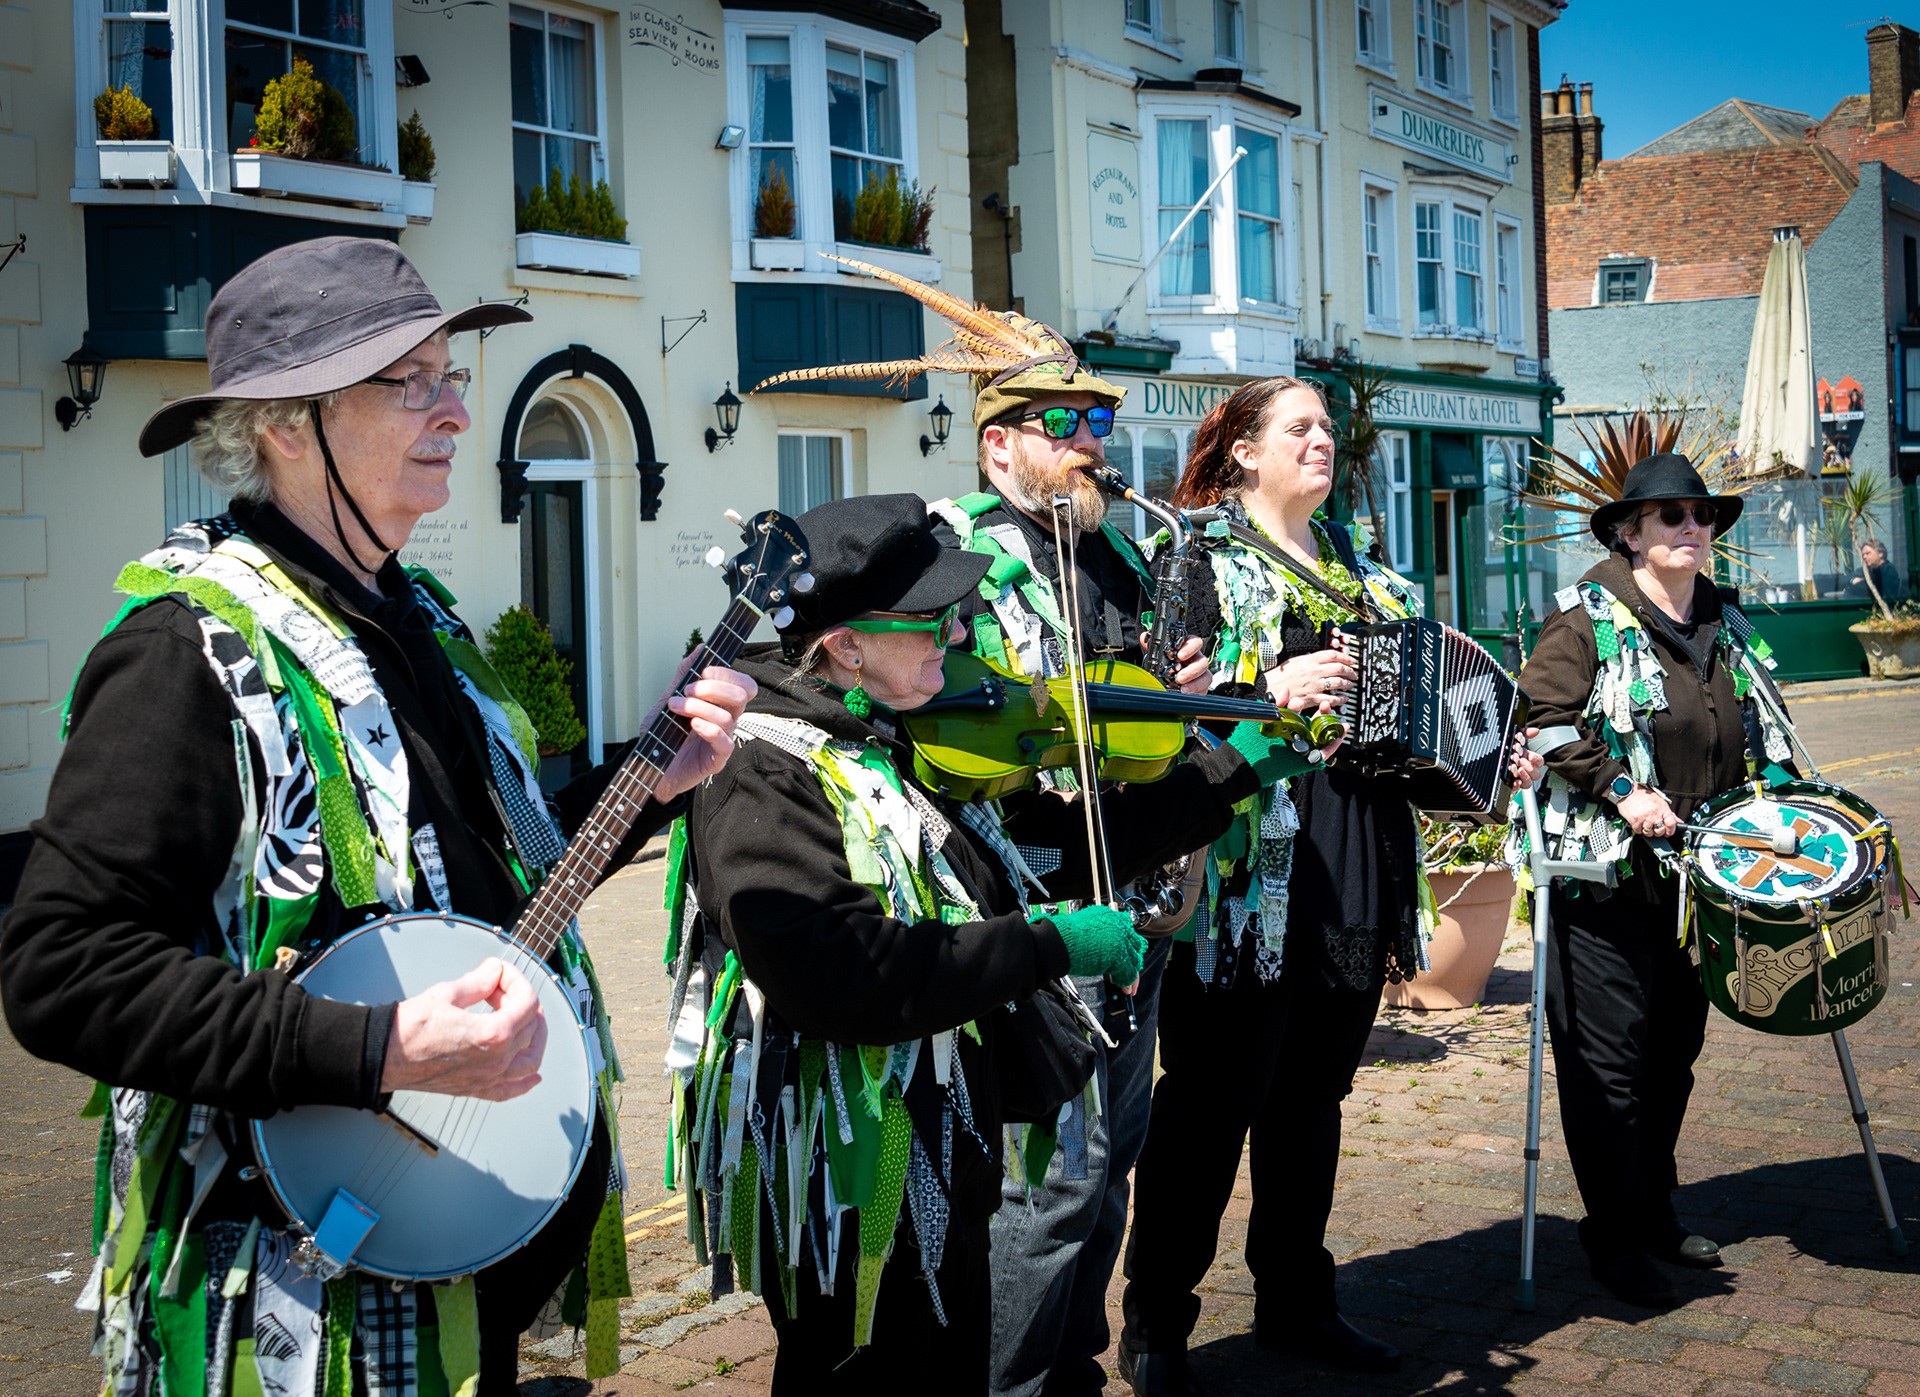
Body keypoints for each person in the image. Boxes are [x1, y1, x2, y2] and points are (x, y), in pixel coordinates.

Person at [0, 237, 755, 1396]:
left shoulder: (415, 620)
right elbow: (61, 968)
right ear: (287, 424)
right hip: (302, 1310)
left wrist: (644, 789)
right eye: (413, 381)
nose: (455, 410)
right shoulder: (183, 651)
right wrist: (382, 1048)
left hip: (449, 1287)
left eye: (454, 376)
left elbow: (475, 890)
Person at [662, 493, 1324, 1394]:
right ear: (845, 645)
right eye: (931, 619)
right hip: (852, 1171)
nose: (956, 632)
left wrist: (1229, 772)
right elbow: (851, 971)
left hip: (938, 1140)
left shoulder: (890, 732)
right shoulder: (762, 765)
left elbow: (1040, 849)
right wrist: (1046, 945)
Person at [752, 264, 1208, 1397]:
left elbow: (1126, 713)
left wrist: (1169, 699)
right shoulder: (954, 558)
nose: (1092, 440)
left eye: (1100, 418)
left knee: (1111, 1176)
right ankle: (1006, 1381)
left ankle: (1072, 1371)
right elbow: (952, 738)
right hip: (1023, 902)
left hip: (1138, 893)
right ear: (998, 442)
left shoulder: (1117, 552)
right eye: (1066, 421)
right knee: (1046, 1183)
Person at [1117, 377, 1541, 1394]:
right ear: (1242, 451)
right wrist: (1266, 692)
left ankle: (1297, 1302)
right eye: (1298, 426)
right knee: (1214, 1101)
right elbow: (1149, 714)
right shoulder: (1195, 560)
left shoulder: (1359, 566)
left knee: (1312, 1097)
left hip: (1358, 855)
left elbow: (1416, 721)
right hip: (1240, 873)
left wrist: (1489, 760)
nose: (1322, 440)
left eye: (1325, 427)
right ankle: (1157, 1324)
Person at [1516, 451, 1801, 1308]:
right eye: (1671, 515)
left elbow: (1756, 729)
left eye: (1701, 515)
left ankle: (1654, 1207)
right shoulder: (1587, 619)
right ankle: (1613, 1235)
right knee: (1610, 1065)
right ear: (1631, 534)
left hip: (1700, 876)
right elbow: (1540, 717)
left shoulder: (1725, 618)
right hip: (1604, 880)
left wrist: (1775, 803)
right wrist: (1621, 787)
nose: (1691, 527)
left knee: (1673, 1052)